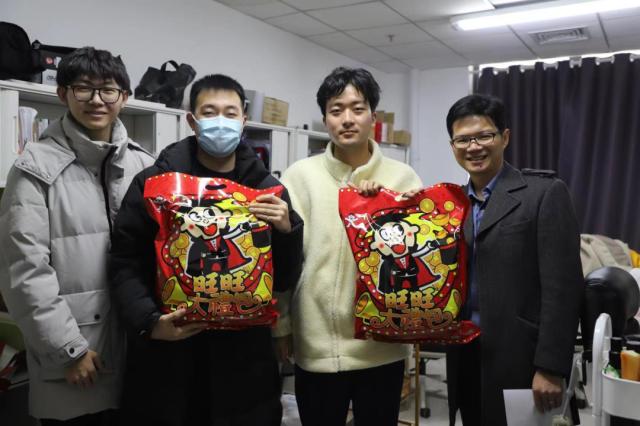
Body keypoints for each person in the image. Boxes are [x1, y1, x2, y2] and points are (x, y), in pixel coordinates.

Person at [109, 74, 303, 426]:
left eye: (230, 113)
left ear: (244, 121)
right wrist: (148, 322)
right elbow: (125, 261)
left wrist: (287, 231)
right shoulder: (155, 185)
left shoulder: (269, 192)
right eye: (210, 113)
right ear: (191, 120)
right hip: (171, 357)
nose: (221, 122)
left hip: (245, 365)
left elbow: (284, 280)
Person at [0, 47, 154, 425]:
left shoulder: (144, 164)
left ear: (124, 97)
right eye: (83, 88)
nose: (97, 100)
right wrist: (67, 350)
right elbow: (25, 271)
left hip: (139, 352)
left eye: (108, 90)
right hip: (79, 358)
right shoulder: (34, 169)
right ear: (63, 93)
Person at [273, 67, 422, 426]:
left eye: (358, 108)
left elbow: (418, 262)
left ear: (373, 116)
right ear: (325, 118)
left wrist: (386, 205)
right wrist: (281, 326)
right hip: (316, 344)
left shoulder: (402, 177)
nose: (347, 119)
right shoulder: (299, 176)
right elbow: (284, 258)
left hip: (381, 346)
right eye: (336, 110)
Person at [444, 94, 583, 425]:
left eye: (484, 136)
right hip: (465, 355)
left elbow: (563, 289)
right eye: (463, 139)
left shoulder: (543, 194)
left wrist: (550, 366)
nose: (473, 147)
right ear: (453, 146)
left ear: (504, 137)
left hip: (522, 358)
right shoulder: (451, 204)